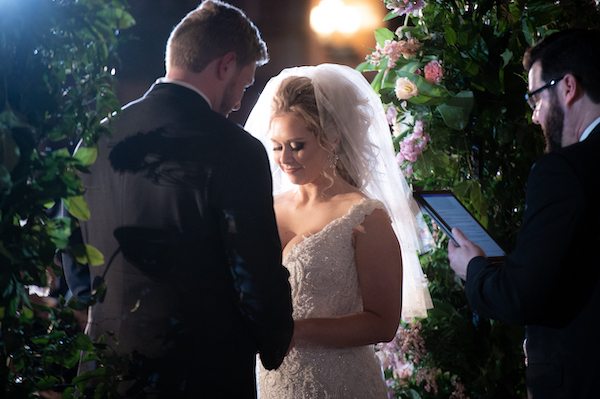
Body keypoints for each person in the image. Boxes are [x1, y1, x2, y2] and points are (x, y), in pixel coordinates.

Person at [75, 1, 294, 397]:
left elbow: (72, 254)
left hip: (102, 371)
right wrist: (275, 340)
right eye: (243, 85)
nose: (239, 102)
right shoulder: (235, 150)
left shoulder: (94, 138)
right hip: (199, 374)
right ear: (225, 65)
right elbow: (254, 274)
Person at [244, 64, 432, 398]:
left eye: (297, 144)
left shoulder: (364, 216)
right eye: (277, 146)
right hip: (272, 382)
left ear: (332, 136)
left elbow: (383, 323)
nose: (285, 158)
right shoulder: (263, 207)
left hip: (339, 382)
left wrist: (295, 331)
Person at [448, 28, 600, 398]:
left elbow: (519, 296)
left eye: (535, 100)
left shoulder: (562, 171)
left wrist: (473, 268)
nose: (535, 118)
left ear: (567, 87)